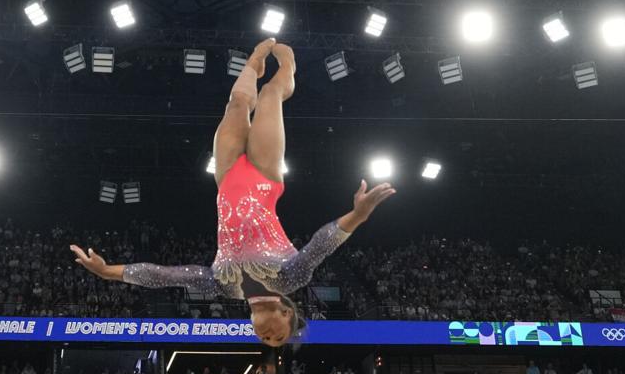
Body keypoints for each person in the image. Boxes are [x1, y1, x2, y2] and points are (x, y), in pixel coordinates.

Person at [71, 38, 396, 347]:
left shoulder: (224, 287)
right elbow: (319, 246)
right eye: (278, 337)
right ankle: (287, 74)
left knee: (237, 104)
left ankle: (253, 63)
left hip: (226, 179)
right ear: (287, 313)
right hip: (266, 177)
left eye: (264, 340)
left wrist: (108, 272)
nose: (268, 337)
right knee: (269, 95)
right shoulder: (289, 281)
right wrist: (359, 215)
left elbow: (164, 275)